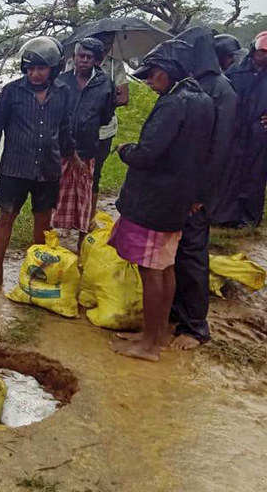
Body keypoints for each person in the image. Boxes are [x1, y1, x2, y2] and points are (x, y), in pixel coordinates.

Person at [110, 40, 214, 362]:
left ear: (168, 72)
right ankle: (153, 334)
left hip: (155, 201)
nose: (150, 81)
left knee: (150, 272)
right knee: (165, 268)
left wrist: (126, 150)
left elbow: (150, 153)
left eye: (153, 75)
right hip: (178, 201)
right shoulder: (203, 100)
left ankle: (150, 345)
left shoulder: (173, 103)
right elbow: (205, 155)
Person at [0, 36, 78, 291]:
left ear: (53, 69)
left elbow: (65, 129)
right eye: (30, 68)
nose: (35, 74)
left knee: (42, 223)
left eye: (41, 69)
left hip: (48, 169)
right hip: (15, 168)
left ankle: (35, 272)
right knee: (6, 218)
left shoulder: (63, 93)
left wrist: (73, 157)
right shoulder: (12, 91)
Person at [168, 27, 238, 351]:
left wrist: (200, 196)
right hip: (179, 184)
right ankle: (175, 313)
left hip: (197, 192)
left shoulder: (220, 90)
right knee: (175, 254)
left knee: (193, 255)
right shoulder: (192, 85)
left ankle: (195, 327)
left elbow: (219, 150)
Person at [211, 31, 267, 228]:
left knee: (254, 175)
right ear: (254, 49)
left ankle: (248, 217)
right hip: (233, 129)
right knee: (226, 169)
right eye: (262, 51)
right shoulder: (235, 71)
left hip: (259, 131)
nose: (264, 56)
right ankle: (221, 215)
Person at [53, 38, 115, 248]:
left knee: (84, 196)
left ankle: (80, 245)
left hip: (88, 148)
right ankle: (52, 241)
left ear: (97, 61)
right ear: (74, 57)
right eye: (81, 56)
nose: (85, 61)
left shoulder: (105, 83)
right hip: (60, 148)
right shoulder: (61, 81)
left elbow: (106, 115)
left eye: (89, 58)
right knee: (55, 195)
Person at [90, 32, 130, 221]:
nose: (105, 46)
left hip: (104, 129)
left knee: (95, 173)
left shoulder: (115, 65)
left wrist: (100, 102)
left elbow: (124, 97)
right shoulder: (78, 62)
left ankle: (88, 216)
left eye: (109, 42)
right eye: (102, 42)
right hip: (77, 129)